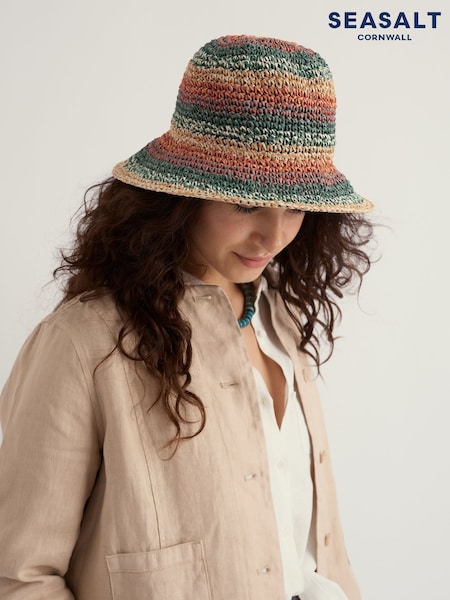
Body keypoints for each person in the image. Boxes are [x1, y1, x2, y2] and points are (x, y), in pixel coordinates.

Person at [0, 35, 374, 600]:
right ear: (181, 196)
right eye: (246, 203)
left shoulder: (280, 319)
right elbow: (20, 575)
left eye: (296, 205)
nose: (274, 236)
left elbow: (312, 548)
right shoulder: (83, 343)